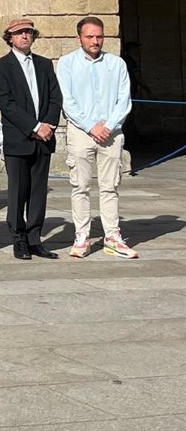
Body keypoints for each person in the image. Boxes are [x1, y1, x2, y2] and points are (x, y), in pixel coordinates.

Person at [57, 17, 137, 259]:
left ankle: (112, 236)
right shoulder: (67, 63)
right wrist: (91, 126)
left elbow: (124, 99)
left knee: (110, 186)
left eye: (99, 36)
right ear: (79, 38)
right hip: (81, 132)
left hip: (111, 133)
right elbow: (67, 100)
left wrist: (109, 126)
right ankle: (82, 235)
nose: (95, 41)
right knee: (80, 186)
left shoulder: (116, 64)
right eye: (90, 36)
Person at [0, 18, 63, 261]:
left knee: (38, 191)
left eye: (28, 32)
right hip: (19, 138)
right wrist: (34, 127)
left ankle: (34, 238)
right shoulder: (0, 67)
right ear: (10, 38)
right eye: (19, 33)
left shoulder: (44, 64)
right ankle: (18, 238)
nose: (24, 36)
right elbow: (6, 104)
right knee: (18, 191)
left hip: (44, 137)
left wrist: (48, 125)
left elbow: (55, 97)